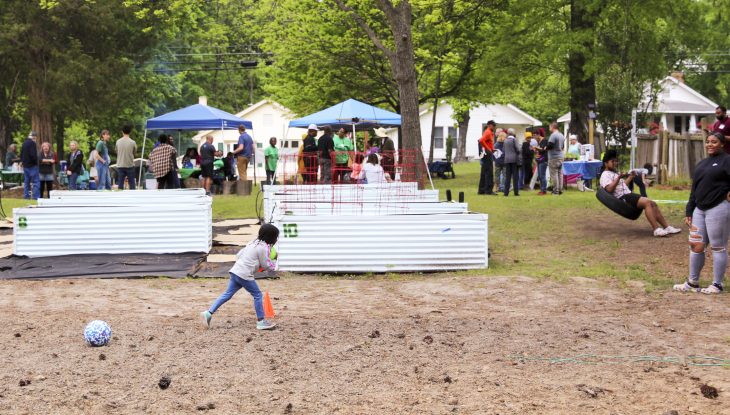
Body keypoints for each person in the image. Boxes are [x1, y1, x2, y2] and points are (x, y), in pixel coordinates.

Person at [673, 132, 730, 294]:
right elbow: (694, 189)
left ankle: (717, 284)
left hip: (718, 208)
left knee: (718, 247)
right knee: (696, 245)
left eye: (714, 142)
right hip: (699, 210)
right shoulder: (702, 163)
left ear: (722, 144)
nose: (710, 144)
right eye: (708, 142)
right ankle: (693, 283)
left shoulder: (727, 160)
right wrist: (689, 210)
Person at [200, 223, 279, 331]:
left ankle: (208, 313)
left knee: (227, 294)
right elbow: (265, 265)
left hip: (235, 271)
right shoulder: (263, 248)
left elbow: (239, 255)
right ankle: (261, 322)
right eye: (276, 237)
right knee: (258, 295)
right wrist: (274, 263)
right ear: (271, 237)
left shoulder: (252, 242)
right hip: (244, 274)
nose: (276, 239)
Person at [599, 150, 681, 237]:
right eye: (613, 161)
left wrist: (631, 177)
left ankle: (667, 227)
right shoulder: (605, 175)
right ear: (606, 163)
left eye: (616, 161)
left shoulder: (613, 173)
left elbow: (622, 186)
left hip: (628, 195)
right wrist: (618, 178)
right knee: (647, 203)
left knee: (653, 203)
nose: (615, 163)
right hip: (623, 197)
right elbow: (609, 189)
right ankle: (656, 229)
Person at [115, 125, 137, 190]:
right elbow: (134, 152)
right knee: (132, 184)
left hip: (120, 165)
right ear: (130, 132)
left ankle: (120, 195)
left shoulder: (118, 141)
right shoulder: (133, 142)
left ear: (122, 131)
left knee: (120, 184)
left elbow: (117, 151)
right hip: (130, 165)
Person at [478, 121, 497, 195]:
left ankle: (481, 190)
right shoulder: (488, 132)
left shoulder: (488, 132)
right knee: (489, 172)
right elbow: (481, 140)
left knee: (484, 172)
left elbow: (487, 142)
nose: (494, 127)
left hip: (485, 153)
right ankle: (488, 190)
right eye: (493, 126)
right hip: (487, 153)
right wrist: (488, 149)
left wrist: (492, 149)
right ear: (489, 125)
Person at [20, 131, 40, 200]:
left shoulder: (24, 143)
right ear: (34, 137)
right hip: (32, 165)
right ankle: (36, 196)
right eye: (35, 138)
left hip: (25, 166)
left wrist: (22, 162)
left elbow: (21, 154)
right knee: (36, 182)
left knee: (26, 182)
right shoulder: (32, 143)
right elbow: (33, 155)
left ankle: (26, 196)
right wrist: (36, 162)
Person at [547, 122, 565, 195]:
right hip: (560, 156)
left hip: (553, 157)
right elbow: (563, 146)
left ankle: (555, 191)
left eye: (550, 127)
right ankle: (560, 190)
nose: (549, 128)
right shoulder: (561, 135)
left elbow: (550, 145)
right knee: (560, 174)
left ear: (553, 127)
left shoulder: (553, 135)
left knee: (554, 175)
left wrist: (545, 148)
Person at [502, 128, 521, 196]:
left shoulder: (505, 140)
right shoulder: (514, 140)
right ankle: (516, 192)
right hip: (514, 160)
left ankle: (506, 192)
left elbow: (503, 150)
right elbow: (518, 149)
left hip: (507, 160)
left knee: (508, 177)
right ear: (513, 133)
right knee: (515, 177)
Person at [534, 129, 549, 195]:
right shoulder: (539, 141)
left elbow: (543, 150)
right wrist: (536, 150)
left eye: (535, 135)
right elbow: (539, 150)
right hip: (539, 159)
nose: (534, 137)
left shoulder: (544, 140)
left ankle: (544, 190)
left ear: (538, 135)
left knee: (542, 175)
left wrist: (536, 148)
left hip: (543, 160)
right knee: (540, 176)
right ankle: (542, 189)